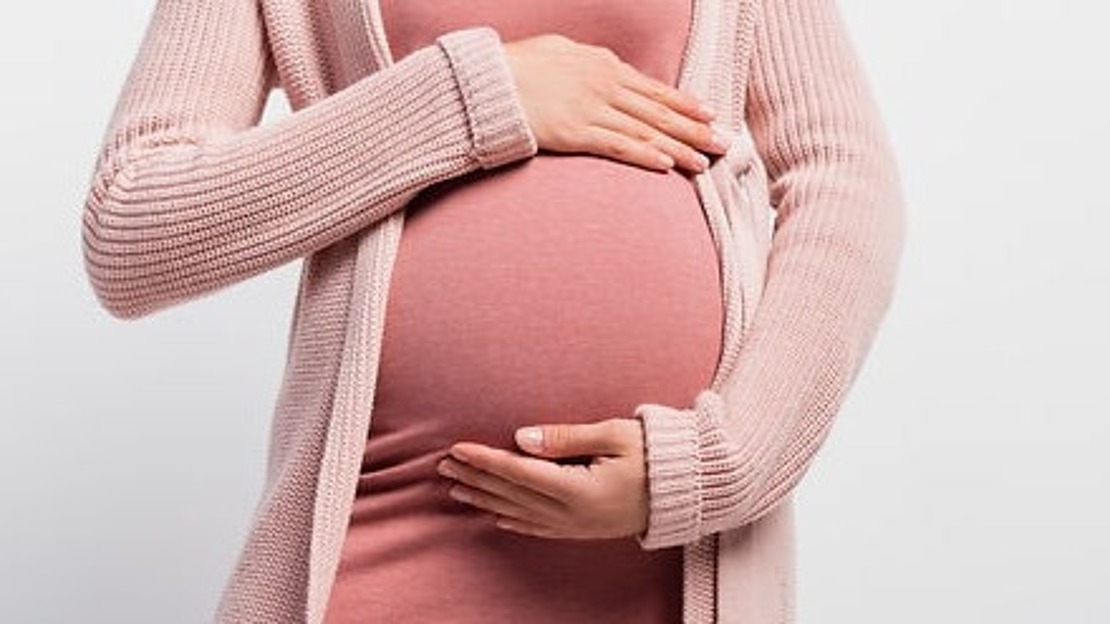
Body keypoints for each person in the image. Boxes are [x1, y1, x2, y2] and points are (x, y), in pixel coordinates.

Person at [81, 0, 904, 622]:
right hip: (388, 529)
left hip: (671, 559)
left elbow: (842, 178)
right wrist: (470, 96)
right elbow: (131, 226)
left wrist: (723, 463)